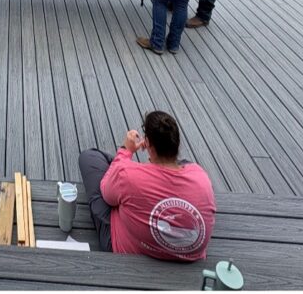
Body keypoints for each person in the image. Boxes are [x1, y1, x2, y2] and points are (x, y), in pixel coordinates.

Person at [78, 111, 216, 261]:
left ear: (148, 143)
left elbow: (106, 193)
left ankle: (121, 168)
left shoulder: (129, 177)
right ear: (177, 144)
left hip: (129, 252)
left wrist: (126, 150)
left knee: (90, 158)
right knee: (185, 164)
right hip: (190, 260)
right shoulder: (201, 177)